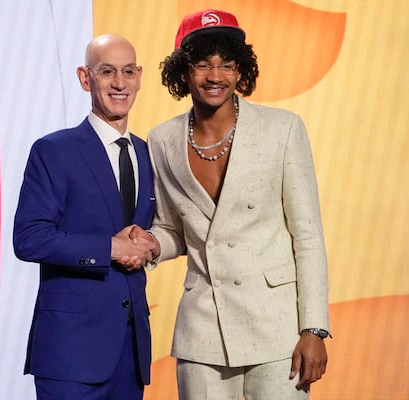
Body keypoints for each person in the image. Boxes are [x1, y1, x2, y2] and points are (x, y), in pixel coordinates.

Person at [131, 9, 331, 400]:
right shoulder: (161, 140)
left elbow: (307, 235)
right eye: (203, 64)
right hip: (202, 331)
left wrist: (314, 328)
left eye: (227, 64)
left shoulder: (283, 129)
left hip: (277, 328)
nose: (215, 76)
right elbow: (173, 228)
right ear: (183, 71)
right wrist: (151, 244)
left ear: (241, 71)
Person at [13, 34, 156, 400]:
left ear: (139, 76)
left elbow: (149, 230)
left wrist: (151, 245)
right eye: (107, 71)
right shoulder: (53, 150)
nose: (119, 83)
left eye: (127, 71)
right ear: (84, 78)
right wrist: (108, 248)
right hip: (70, 354)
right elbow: (29, 238)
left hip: (130, 353)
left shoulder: (146, 153)